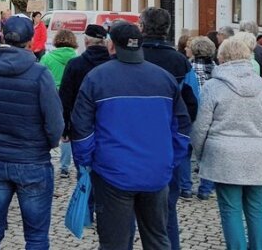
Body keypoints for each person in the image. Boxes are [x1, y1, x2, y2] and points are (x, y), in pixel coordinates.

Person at [72, 21, 190, 250]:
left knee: (115, 243)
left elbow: (81, 128)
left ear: (112, 46)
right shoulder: (164, 78)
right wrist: (169, 160)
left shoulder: (97, 78)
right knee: (158, 240)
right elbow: (182, 126)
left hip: (113, 173)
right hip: (156, 172)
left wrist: (86, 163)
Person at [0, 15, 64, 249]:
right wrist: (45, 144)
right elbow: (54, 124)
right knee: (36, 236)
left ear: (1, 36)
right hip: (32, 160)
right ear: (31, 41)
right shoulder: (40, 74)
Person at [191, 37, 262, 250]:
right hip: (260, 155)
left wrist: (201, 152)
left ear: (221, 58)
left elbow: (201, 127)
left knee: (230, 210)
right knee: (257, 211)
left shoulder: (213, 87)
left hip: (225, 155)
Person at [139, 7, 197, 250]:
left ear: (142, 28)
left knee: (123, 214)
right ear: (167, 30)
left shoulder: (132, 57)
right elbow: (193, 103)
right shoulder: (180, 62)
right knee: (166, 210)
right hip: (165, 144)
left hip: (129, 140)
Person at [58, 24, 112, 171]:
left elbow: (65, 98)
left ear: (86, 42)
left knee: (84, 169)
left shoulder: (75, 64)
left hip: (81, 125)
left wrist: (65, 128)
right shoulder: (113, 64)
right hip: (109, 124)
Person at [40, 28, 77, 178]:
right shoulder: (76, 58)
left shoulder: (47, 58)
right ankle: (67, 166)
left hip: (52, 95)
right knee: (69, 131)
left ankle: (54, 164)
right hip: (72, 96)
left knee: (51, 129)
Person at [186, 35, 218, 200]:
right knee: (209, 151)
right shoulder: (217, 69)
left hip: (192, 113)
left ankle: (185, 186)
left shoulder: (187, 68)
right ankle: (206, 188)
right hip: (213, 113)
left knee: (186, 150)